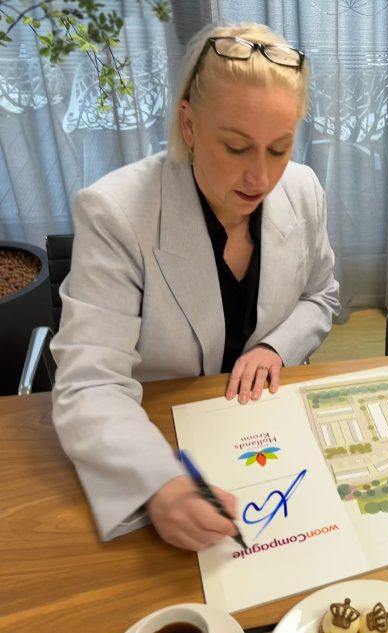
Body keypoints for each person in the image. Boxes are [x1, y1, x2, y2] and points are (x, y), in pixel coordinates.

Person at [51, 23, 340, 550]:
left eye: (279, 149)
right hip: (158, 433)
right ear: (188, 124)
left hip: (267, 430)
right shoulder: (117, 213)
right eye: (236, 147)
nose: (260, 178)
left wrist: (277, 346)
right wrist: (157, 482)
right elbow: (90, 381)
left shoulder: (303, 189)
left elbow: (321, 295)